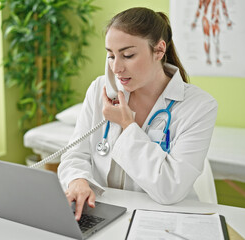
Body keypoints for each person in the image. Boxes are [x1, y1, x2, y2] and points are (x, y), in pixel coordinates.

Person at [57, 7, 218, 221]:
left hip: (163, 220)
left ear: (159, 50)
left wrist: (127, 126)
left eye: (128, 55)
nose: (116, 68)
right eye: (111, 55)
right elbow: (75, 154)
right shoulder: (101, 90)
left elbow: (170, 189)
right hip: (103, 214)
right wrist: (77, 180)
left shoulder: (199, 106)